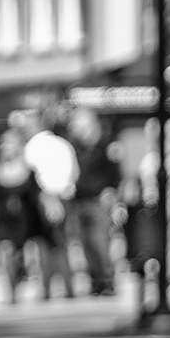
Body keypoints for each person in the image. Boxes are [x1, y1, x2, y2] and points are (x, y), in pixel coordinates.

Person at [0, 129, 49, 305]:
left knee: (24, 254)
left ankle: (27, 275)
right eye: (3, 143)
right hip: (4, 221)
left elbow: (36, 195)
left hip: (25, 221)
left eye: (9, 143)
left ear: (19, 146)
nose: (5, 147)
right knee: (5, 251)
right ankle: (11, 290)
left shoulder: (28, 171)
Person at [21, 109, 79, 299]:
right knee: (62, 245)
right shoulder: (63, 144)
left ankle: (46, 289)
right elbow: (74, 173)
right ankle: (69, 288)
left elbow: (32, 177)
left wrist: (48, 199)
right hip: (64, 197)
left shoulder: (33, 147)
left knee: (45, 245)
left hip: (44, 198)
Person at [65, 107, 120, 296]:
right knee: (85, 243)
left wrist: (112, 192)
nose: (74, 128)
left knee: (99, 241)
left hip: (98, 200)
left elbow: (115, 173)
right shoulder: (74, 148)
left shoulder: (105, 146)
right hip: (78, 200)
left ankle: (107, 280)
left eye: (77, 124)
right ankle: (95, 281)